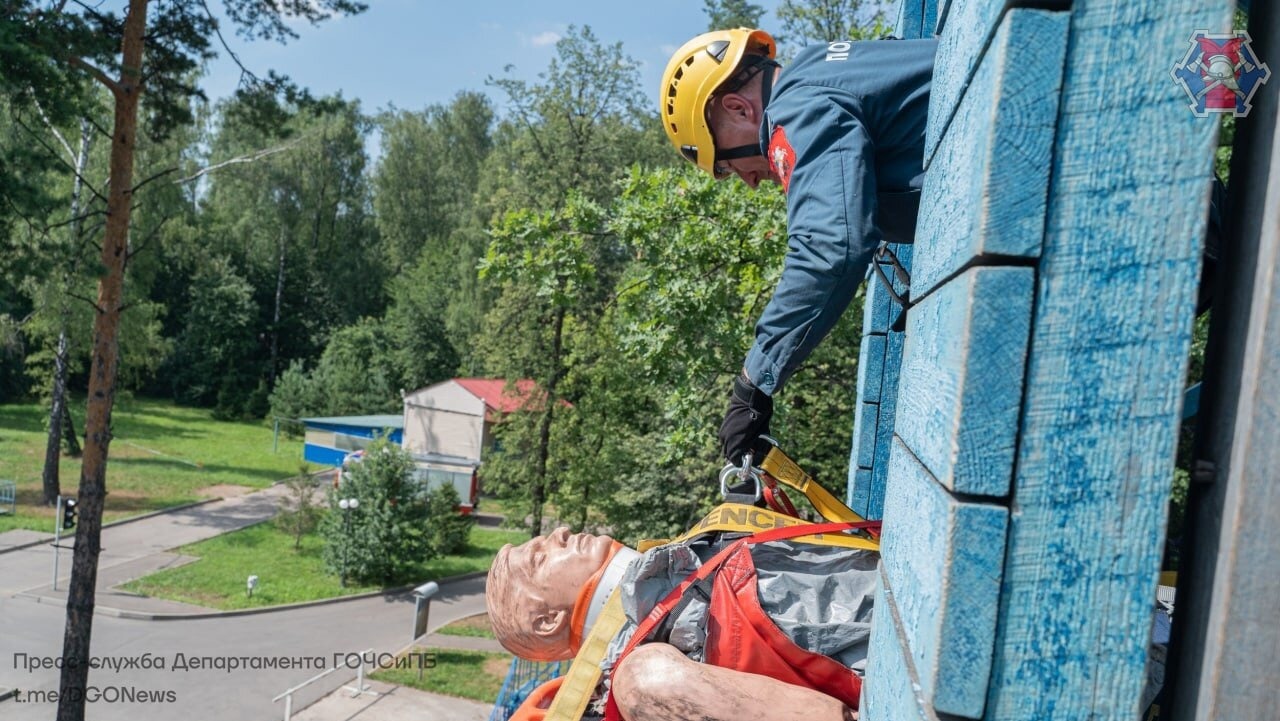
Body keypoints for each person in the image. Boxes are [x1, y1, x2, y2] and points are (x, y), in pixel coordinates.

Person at [658, 28, 936, 466]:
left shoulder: (796, 107)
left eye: (728, 163)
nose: (749, 181)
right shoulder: (823, 68)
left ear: (738, 107)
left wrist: (753, 384)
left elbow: (828, 247)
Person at [486, 526, 878, 721]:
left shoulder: (680, 579)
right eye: (540, 557)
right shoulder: (644, 677)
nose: (560, 532)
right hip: (897, 663)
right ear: (547, 621)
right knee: (646, 678)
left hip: (892, 586)